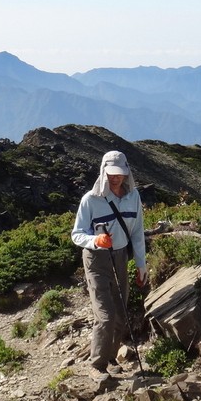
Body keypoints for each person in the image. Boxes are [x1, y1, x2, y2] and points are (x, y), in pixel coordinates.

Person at [71, 150, 147, 382]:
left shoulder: (133, 197)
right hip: (96, 259)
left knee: (120, 312)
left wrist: (141, 265)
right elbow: (77, 234)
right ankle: (97, 364)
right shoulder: (90, 200)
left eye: (120, 174)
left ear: (127, 173)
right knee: (105, 314)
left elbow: (137, 233)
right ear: (103, 172)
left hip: (121, 257)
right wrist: (95, 240)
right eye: (111, 174)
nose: (116, 178)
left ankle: (111, 359)